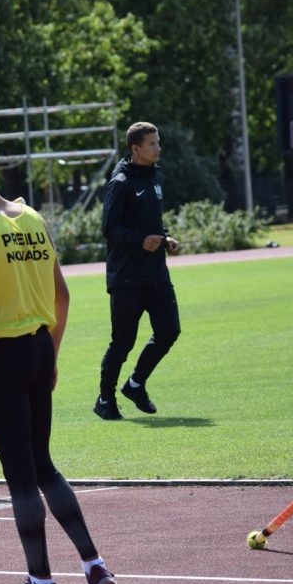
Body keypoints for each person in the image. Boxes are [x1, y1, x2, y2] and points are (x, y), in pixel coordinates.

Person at [0, 136, 116, 584]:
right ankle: (93, 566)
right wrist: (52, 356)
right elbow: (63, 296)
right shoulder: (32, 217)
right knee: (43, 465)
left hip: (4, 355)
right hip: (39, 347)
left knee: (20, 477)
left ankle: (40, 583)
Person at [93, 122, 181, 421]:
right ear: (136, 149)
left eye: (158, 142)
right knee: (123, 342)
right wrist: (140, 240)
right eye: (152, 144)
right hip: (127, 277)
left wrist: (164, 236)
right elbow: (109, 228)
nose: (158, 148)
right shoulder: (120, 182)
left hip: (156, 273)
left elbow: (150, 220)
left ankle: (135, 384)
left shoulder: (156, 174)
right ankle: (105, 399)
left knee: (169, 331)